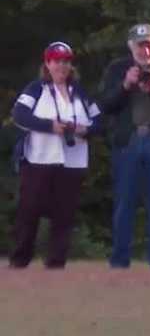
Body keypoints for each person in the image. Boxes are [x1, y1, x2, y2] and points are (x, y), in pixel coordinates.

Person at [97, 23, 150, 269]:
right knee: (124, 203)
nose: (144, 50)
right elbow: (105, 104)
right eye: (139, 45)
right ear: (130, 46)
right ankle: (119, 260)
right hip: (128, 141)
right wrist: (125, 85)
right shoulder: (117, 68)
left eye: (148, 45)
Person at [8, 42, 102, 269]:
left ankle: (56, 263)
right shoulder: (36, 88)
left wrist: (83, 129)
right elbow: (19, 115)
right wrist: (51, 126)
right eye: (56, 61)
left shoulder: (79, 92)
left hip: (73, 160)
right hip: (40, 158)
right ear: (47, 64)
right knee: (29, 210)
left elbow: (99, 121)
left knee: (64, 214)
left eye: (66, 61)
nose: (61, 65)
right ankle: (20, 260)